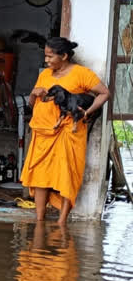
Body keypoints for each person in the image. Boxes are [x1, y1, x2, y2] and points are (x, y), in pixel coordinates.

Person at [20, 37, 110, 225]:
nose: (47, 61)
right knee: (40, 176)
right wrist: (33, 94)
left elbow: (104, 93)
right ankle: (39, 220)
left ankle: (62, 223)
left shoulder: (81, 73)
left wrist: (87, 112)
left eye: (50, 57)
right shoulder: (45, 74)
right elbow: (32, 103)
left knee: (67, 175)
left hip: (69, 132)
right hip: (43, 132)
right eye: (45, 56)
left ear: (64, 56)